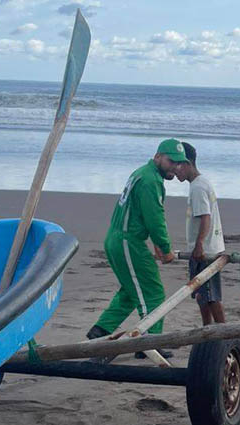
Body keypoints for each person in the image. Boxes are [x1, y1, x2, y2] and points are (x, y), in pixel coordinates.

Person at [86, 138, 189, 359]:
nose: (176, 167)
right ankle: (149, 343)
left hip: (117, 238)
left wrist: (155, 244)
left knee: (131, 291)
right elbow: (155, 219)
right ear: (158, 157)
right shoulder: (151, 181)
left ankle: (100, 330)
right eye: (172, 161)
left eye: (179, 163)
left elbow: (141, 214)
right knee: (153, 292)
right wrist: (165, 248)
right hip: (127, 241)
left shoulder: (142, 173)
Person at [175, 142, 227, 325]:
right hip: (207, 247)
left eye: (177, 166)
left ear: (187, 163)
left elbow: (206, 217)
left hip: (206, 250)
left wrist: (199, 244)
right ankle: (207, 329)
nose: (174, 172)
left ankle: (222, 333)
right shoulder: (200, 183)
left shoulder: (198, 187)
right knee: (200, 294)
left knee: (211, 296)